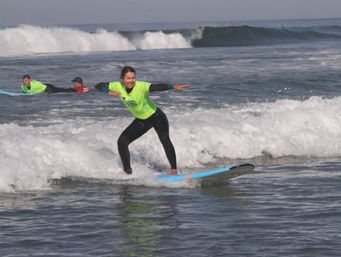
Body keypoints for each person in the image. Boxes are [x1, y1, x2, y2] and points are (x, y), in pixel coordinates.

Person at [95, 66, 189, 175]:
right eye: (128, 78)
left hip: (157, 116)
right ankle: (127, 171)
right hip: (142, 120)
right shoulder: (117, 86)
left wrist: (173, 86)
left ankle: (174, 170)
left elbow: (157, 87)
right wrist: (108, 91)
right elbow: (98, 85)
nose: (131, 81)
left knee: (165, 140)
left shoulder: (141, 86)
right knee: (122, 142)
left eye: (133, 78)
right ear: (122, 79)